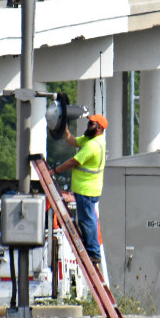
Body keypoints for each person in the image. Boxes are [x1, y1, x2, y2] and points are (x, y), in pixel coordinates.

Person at [50, 113, 108, 270]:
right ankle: (92, 250)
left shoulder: (93, 146)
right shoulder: (91, 139)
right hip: (87, 189)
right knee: (87, 220)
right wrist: (64, 126)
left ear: (99, 128)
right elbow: (72, 141)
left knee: (87, 221)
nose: (88, 125)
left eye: (91, 124)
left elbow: (73, 161)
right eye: (89, 122)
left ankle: (93, 252)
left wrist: (54, 171)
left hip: (87, 190)